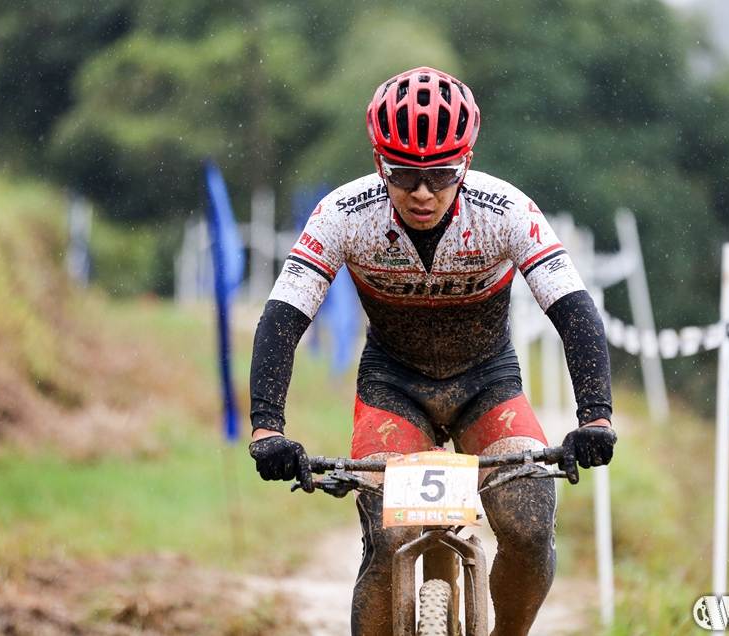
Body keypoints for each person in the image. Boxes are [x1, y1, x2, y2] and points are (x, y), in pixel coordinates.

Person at [248, 66, 616, 636]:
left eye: (441, 174)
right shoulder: (345, 215)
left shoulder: (506, 211)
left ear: (465, 162)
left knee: (528, 527)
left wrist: (595, 415)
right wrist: (267, 428)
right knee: (387, 540)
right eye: (403, 174)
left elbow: (573, 311)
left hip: (487, 384)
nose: (422, 192)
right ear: (378, 162)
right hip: (394, 389)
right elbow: (283, 318)